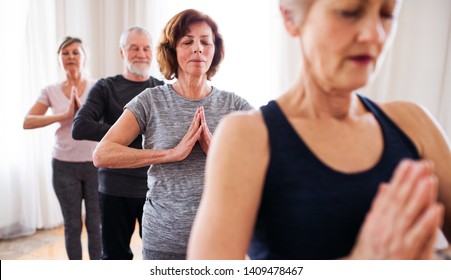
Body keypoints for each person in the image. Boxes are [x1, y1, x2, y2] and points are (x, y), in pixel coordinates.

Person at [188, 0, 451, 260]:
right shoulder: (246, 137)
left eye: (387, 14)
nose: (375, 34)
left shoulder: (414, 124)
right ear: (291, 18)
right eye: (350, 12)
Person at [92, 9, 253, 260]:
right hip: (163, 239)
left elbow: (270, 161)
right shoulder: (151, 101)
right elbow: (102, 154)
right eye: (187, 41)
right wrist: (170, 154)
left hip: (221, 239)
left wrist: (218, 153)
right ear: (172, 51)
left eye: (205, 42)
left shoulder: (235, 105)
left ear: (215, 50)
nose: (198, 48)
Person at [72, 26, 164, 260]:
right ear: (122, 53)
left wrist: (121, 140)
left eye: (146, 48)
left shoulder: (162, 90)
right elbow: (80, 126)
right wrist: (130, 133)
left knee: (158, 256)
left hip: (155, 189)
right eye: (134, 48)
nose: (141, 53)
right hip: (114, 188)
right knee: (114, 257)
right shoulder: (105, 87)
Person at [23, 36, 101, 260]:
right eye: (65, 53)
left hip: (96, 165)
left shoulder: (98, 87)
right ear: (59, 59)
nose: (70, 57)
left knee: (96, 225)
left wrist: (84, 116)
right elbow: (27, 121)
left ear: (84, 57)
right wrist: (64, 116)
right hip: (64, 166)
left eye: (76, 52)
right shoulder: (50, 90)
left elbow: (113, 122)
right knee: (72, 225)